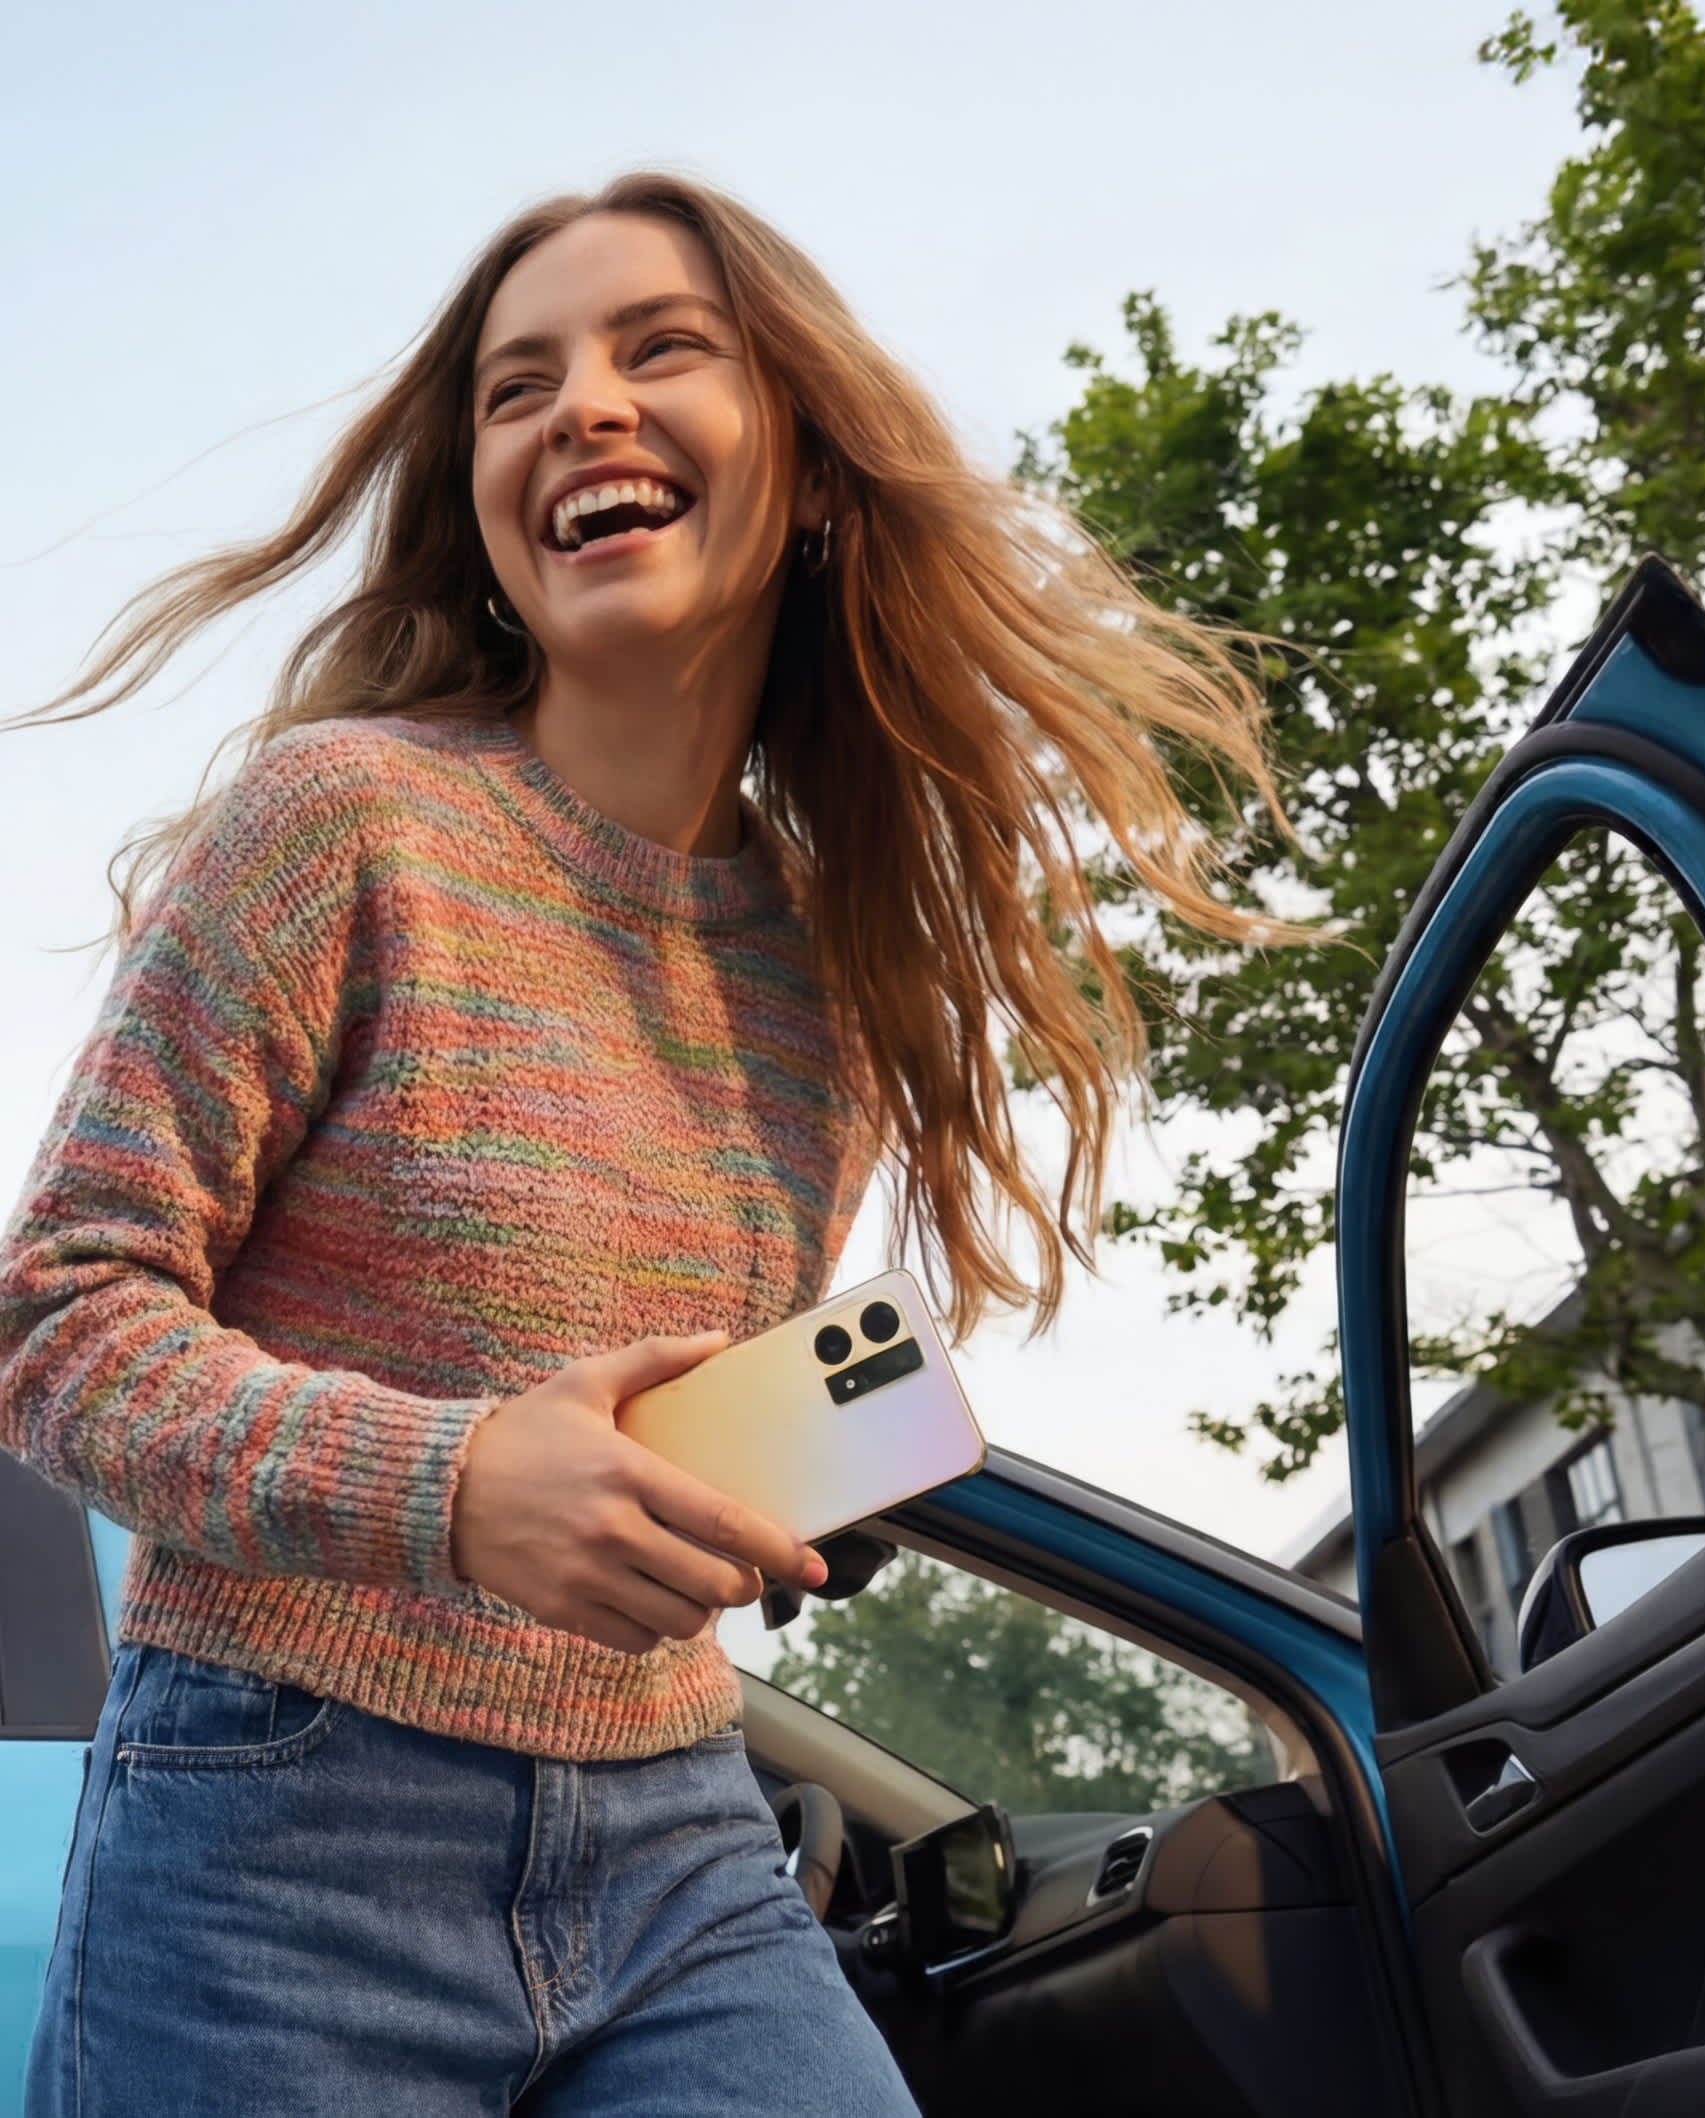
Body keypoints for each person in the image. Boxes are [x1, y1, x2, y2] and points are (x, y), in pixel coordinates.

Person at [0, 174, 1287, 2115]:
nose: (580, 406)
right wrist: (453, 1484)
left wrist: (753, 1500)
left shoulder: (824, 981)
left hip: (688, 1840)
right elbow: (57, 1326)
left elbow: (638, 1423)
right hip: (281, 1835)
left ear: (814, 467)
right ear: (490, 508)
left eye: (657, 349)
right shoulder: (341, 821)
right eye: (518, 387)